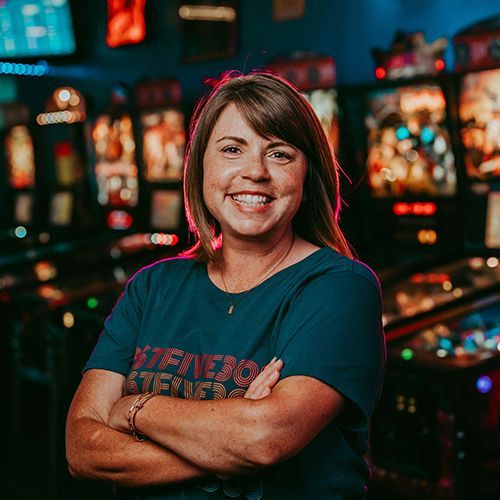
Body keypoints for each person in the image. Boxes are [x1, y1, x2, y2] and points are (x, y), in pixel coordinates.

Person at [66, 71, 385, 499]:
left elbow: (264, 439)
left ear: (308, 178)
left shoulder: (341, 287)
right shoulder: (150, 288)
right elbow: (83, 450)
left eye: (280, 154)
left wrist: (135, 410)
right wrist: (226, 441)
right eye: (232, 150)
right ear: (201, 168)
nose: (255, 172)